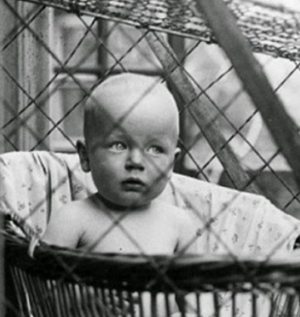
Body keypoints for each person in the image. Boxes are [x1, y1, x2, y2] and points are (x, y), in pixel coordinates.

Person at [41, 73, 198, 255]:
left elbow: (190, 283)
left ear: (171, 164)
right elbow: (42, 280)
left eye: (155, 149)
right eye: (119, 146)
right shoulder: (72, 219)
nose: (136, 162)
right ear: (85, 156)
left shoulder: (179, 225)